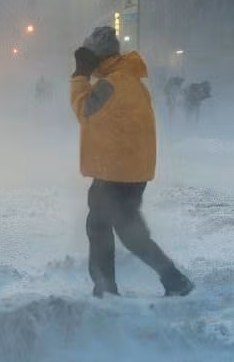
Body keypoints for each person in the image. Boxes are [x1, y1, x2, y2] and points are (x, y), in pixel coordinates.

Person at [71, 26, 194, 298]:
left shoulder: (111, 83)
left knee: (100, 226)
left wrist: (79, 76)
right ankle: (173, 279)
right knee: (128, 231)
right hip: (130, 170)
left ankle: (106, 289)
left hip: (115, 172)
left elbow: (84, 111)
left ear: (96, 56)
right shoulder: (127, 78)